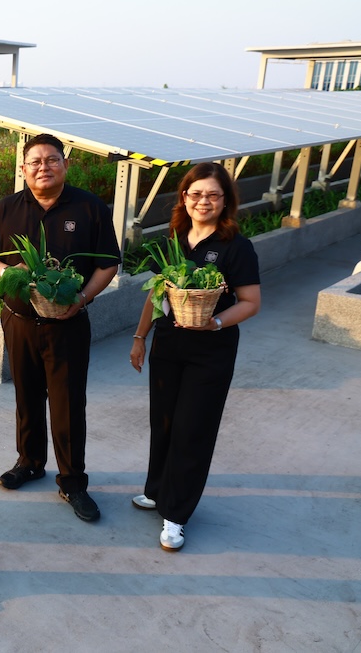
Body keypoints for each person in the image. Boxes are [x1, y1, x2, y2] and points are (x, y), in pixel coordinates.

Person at [0, 133, 120, 522]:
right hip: (19, 321)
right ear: (23, 169)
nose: (44, 167)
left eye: (52, 159)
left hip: (67, 325)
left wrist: (82, 298)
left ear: (65, 164)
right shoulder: (6, 209)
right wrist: (10, 272)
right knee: (26, 396)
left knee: (68, 403)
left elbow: (108, 263)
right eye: (35, 162)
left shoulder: (89, 208)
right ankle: (30, 462)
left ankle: (72, 481)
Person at [129, 162, 261, 551]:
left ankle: (176, 514)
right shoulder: (172, 240)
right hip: (168, 347)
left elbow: (251, 302)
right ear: (184, 197)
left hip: (211, 352)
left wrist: (215, 322)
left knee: (193, 429)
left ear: (226, 201)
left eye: (213, 195)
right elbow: (156, 295)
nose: (204, 201)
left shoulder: (236, 247)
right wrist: (140, 337)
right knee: (164, 422)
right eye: (196, 193)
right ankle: (157, 490)